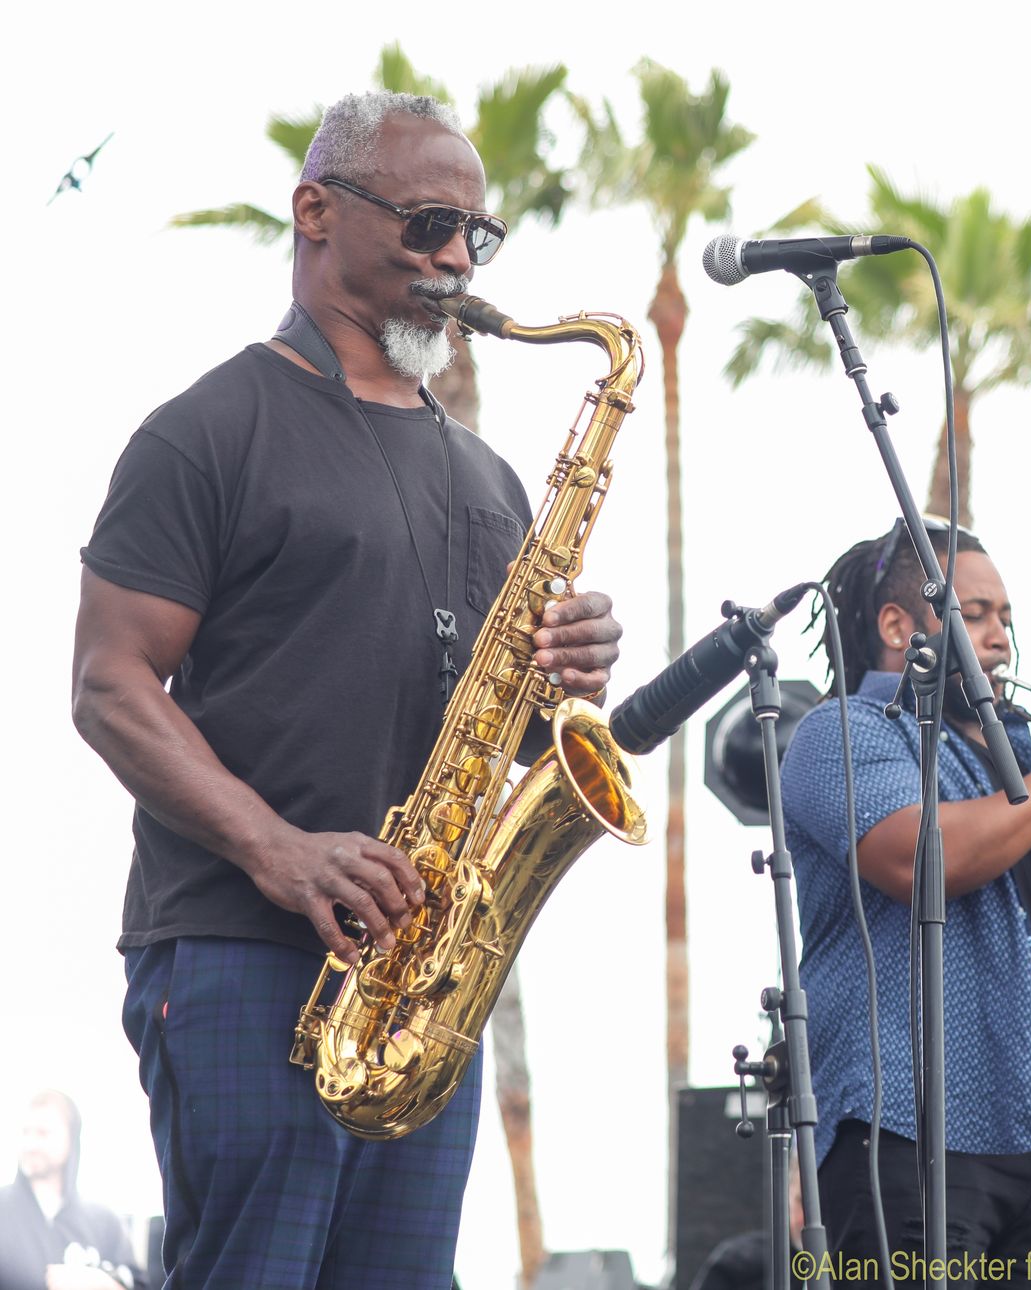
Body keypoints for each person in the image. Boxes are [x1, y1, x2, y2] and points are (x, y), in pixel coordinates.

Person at [69, 91, 624, 1288]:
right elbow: (110, 685)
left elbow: (505, 729)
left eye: (479, 234)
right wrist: (278, 850)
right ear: (314, 211)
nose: (459, 259)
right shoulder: (205, 431)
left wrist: (563, 675)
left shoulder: (487, 477)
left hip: (421, 985)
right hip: (241, 948)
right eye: (430, 223)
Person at [780, 518, 1031, 1288]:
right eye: (974, 615)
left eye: (1005, 617)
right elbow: (919, 860)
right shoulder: (843, 732)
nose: (1000, 636)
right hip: (903, 1135)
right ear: (898, 626)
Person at [0, 1090, 145, 1290]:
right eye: (26, 1132)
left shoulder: (104, 1222)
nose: (30, 1144)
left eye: (43, 1133)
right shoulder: (3, 1210)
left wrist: (99, 1283)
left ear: (71, 1140)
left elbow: (140, 1285)